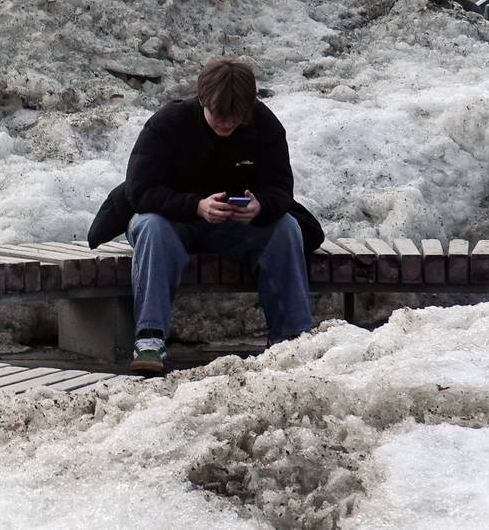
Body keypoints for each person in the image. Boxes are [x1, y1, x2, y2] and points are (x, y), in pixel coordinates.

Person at [89, 59, 322, 376]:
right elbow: (140, 191)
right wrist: (195, 206)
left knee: (286, 228)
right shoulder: (167, 124)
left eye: (235, 120)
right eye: (218, 117)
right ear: (202, 100)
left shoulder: (265, 125)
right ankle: (150, 340)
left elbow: (281, 189)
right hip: (172, 222)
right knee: (150, 226)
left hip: (235, 226)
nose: (226, 125)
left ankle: (293, 339)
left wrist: (260, 206)